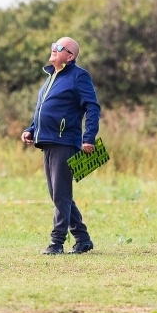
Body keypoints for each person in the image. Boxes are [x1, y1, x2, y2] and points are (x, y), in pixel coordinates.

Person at [22, 37, 101, 255]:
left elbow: (92, 107)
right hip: (47, 140)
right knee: (58, 193)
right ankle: (83, 239)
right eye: (53, 46)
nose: (53, 49)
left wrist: (89, 138)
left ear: (70, 55)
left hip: (65, 141)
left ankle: (56, 243)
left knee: (61, 194)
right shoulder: (51, 76)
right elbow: (42, 109)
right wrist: (31, 128)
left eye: (59, 47)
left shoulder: (79, 76)